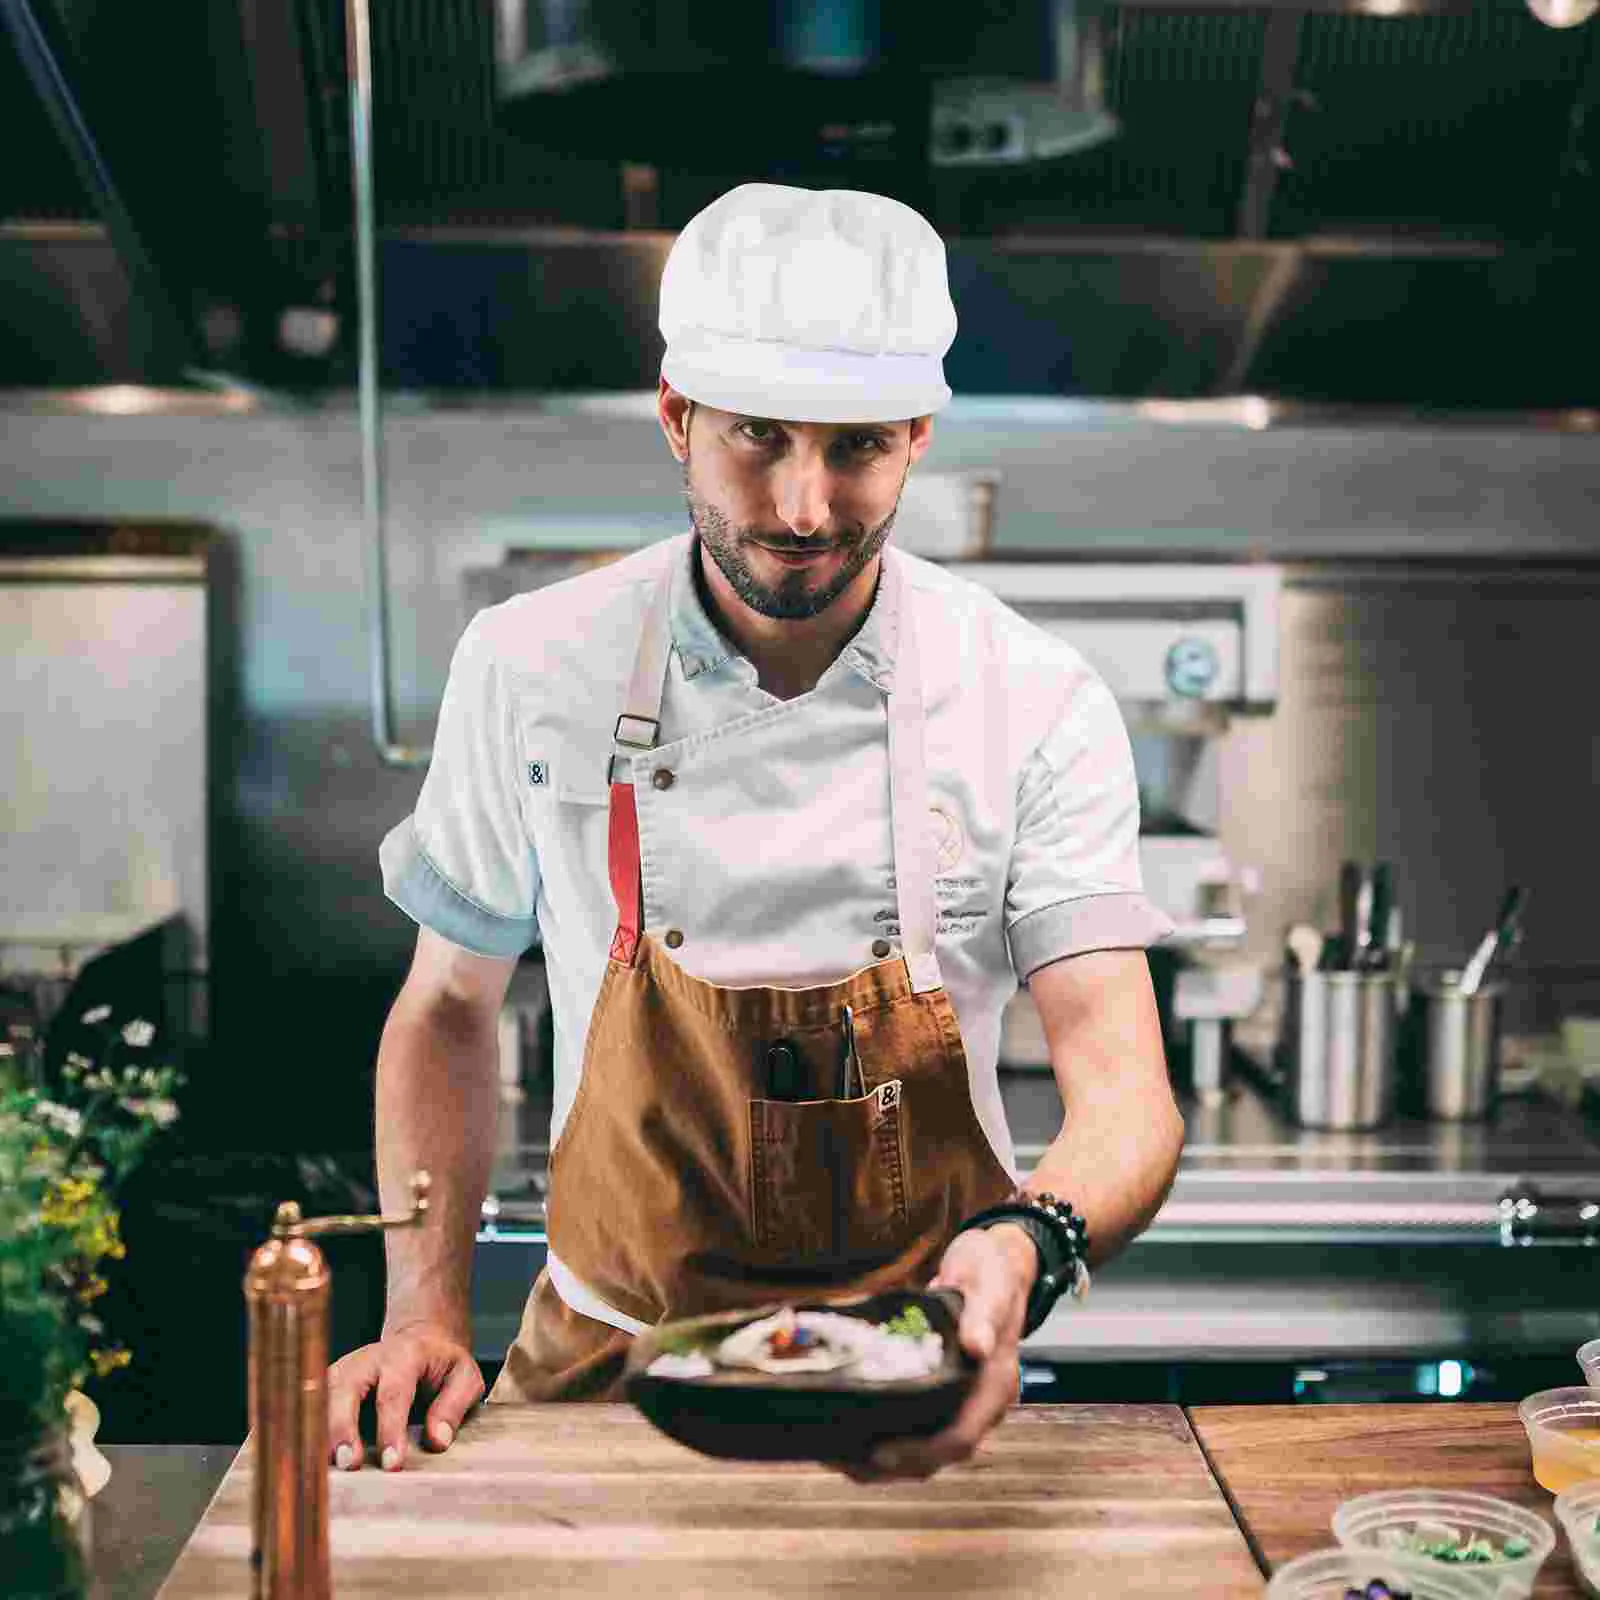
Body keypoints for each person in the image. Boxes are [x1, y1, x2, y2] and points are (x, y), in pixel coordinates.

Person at [327, 182, 1183, 1484]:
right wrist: (422, 1307)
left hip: (920, 1386)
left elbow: (1123, 1083)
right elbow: (447, 1005)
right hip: (596, 1385)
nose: (800, 507)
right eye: (758, 438)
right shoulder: (528, 664)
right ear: (676, 420)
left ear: (917, 438)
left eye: (855, 449)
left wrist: (1024, 1252)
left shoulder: (1033, 697)